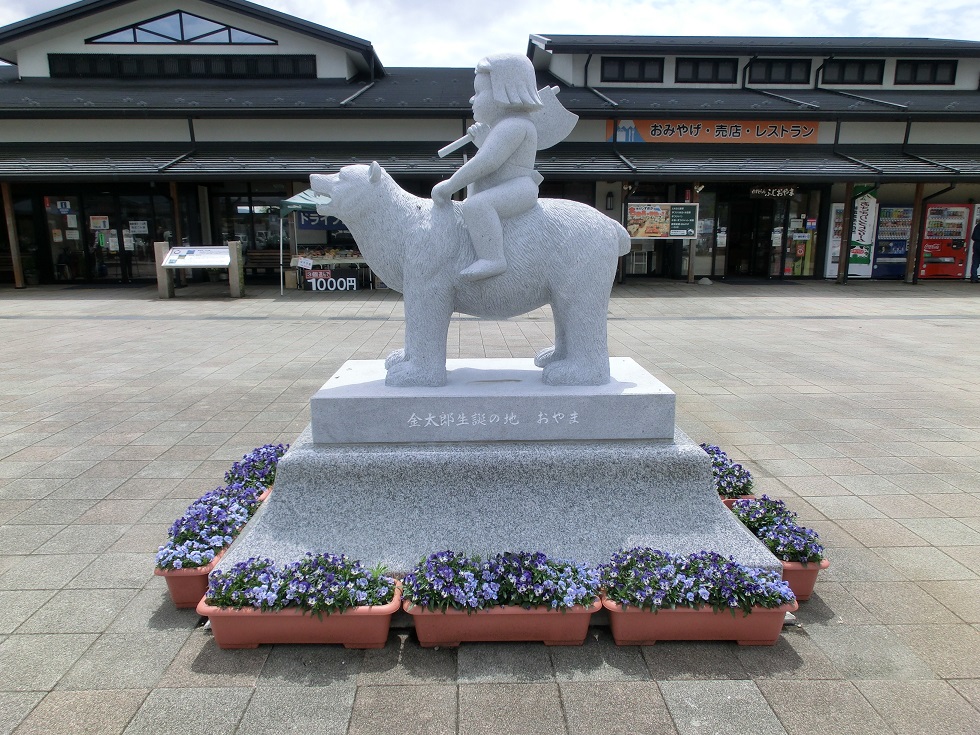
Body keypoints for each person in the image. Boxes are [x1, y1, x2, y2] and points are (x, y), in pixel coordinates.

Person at [431, 54, 544, 281]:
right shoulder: (503, 126)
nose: (473, 99)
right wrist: (484, 142)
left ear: (504, 91)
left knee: (477, 205)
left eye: (479, 92)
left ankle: (493, 258)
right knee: (476, 198)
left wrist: (450, 185)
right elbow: (491, 162)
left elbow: (487, 163)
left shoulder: (512, 125)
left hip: (519, 187)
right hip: (506, 183)